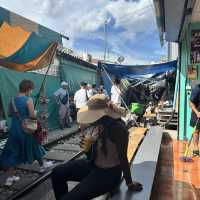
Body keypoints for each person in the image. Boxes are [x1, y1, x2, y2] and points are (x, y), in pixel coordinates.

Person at [51, 94, 143, 200]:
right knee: (57, 172)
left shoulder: (118, 129)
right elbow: (93, 154)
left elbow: (123, 158)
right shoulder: (100, 125)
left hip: (109, 174)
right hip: (93, 165)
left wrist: (129, 183)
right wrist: (88, 148)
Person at [0, 80, 52, 186]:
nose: (31, 92)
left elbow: (10, 114)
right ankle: (43, 166)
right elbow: (32, 116)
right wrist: (36, 114)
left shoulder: (12, 100)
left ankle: (10, 178)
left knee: (13, 151)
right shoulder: (28, 100)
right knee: (35, 146)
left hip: (14, 129)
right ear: (28, 89)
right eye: (31, 90)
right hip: (27, 129)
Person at [190, 83, 200, 156]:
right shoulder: (197, 89)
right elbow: (190, 103)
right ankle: (196, 150)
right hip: (197, 114)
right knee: (196, 131)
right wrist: (197, 112)